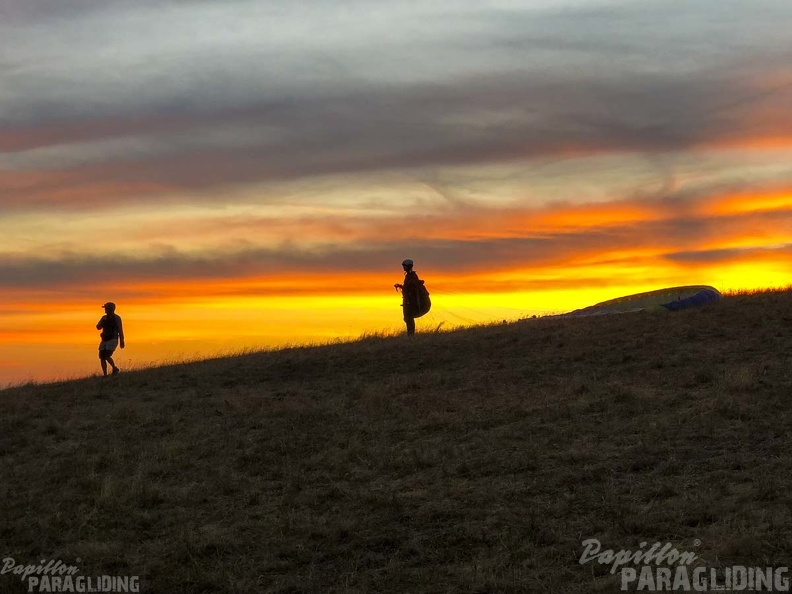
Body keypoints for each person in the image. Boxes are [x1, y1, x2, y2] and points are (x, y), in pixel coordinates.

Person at [394, 258, 421, 336]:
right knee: (407, 318)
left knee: (408, 318)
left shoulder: (412, 276)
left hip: (411, 300)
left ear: (409, 266)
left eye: (405, 266)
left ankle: (411, 334)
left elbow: (412, 287)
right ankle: (410, 334)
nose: (404, 268)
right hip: (408, 300)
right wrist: (401, 286)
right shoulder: (408, 275)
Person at [96, 302, 125, 376]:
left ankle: (114, 368)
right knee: (102, 356)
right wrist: (102, 322)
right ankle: (105, 375)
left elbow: (120, 330)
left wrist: (122, 341)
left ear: (110, 309)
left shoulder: (117, 318)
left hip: (113, 339)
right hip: (104, 339)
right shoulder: (104, 318)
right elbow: (98, 327)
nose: (105, 309)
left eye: (106, 308)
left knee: (106, 355)